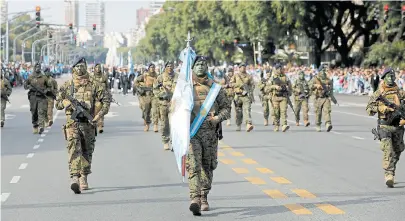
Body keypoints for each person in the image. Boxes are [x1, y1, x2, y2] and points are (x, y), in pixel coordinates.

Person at [55, 57, 110, 193]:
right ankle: (74, 177)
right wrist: (65, 103)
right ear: (73, 68)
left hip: (89, 124)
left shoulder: (95, 84)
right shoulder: (68, 85)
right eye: (77, 66)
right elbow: (58, 104)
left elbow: (106, 100)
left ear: (86, 67)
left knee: (87, 151)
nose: (79, 69)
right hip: (72, 123)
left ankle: (83, 176)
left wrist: (98, 116)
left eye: (82, 66)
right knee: (73, 148)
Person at [187, 56, 230, 216]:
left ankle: (204, 196)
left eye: (203, 64)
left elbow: (226, 108)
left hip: (210, 134)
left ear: (207, 67)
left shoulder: (215, 89)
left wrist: (217, 118)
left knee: (208, 166)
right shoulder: (185, 87)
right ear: (192, 67)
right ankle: (195, 199)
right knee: (193, 165)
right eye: (197, 64)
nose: (200, 66)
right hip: (192, 133)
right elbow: (176, 108)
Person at [366, 68, 405, 188]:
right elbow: (369, 110)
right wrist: (382, 108)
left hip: (398, 126)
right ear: (384, 78)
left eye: (392, 76)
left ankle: (391, 170)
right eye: (388, 76)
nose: (391, 78)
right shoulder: (379, 93)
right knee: (388, 150)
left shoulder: (400, 92)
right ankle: (389, 174)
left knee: (398, 150)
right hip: (384, 126)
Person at [153, 61, 177, 150]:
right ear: (165, 67)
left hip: (175, 104)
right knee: (164, 124)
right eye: (168, 66)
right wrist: (161, 95)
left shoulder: (177, 77)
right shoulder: (160, 77)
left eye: (171, 66)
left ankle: (174, 142)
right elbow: (155, 89)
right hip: (163, 104)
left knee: (174, 124)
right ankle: (165, 141)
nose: (170, 67)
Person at [24, 62, 52, 134]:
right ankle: (35, 126)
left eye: (39, 66)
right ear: (34, 68)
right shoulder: (30, 77)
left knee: (41, 111)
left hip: (41, 97)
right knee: (34, 112)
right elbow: (25, 86)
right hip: (33, 97)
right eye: (36, 66)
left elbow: (49, 86)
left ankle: (41, 126)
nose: (37, 68)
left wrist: (45, 91)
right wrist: (30, 87)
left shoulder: (44, 77)